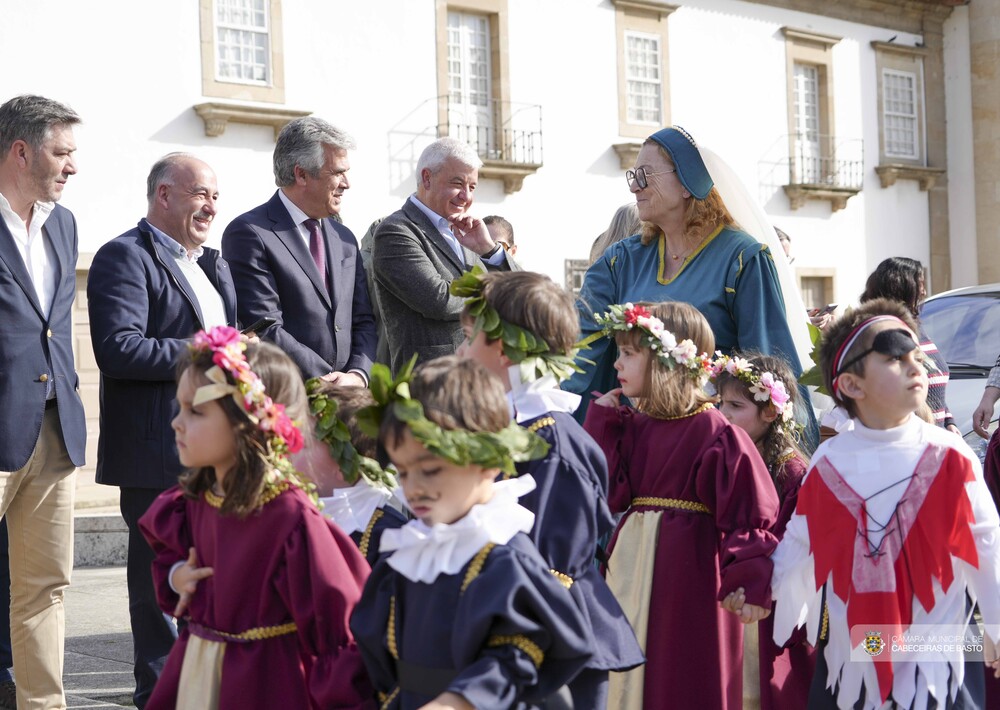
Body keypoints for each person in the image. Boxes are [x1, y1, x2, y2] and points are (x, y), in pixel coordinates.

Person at [770, 298, 1000, 709]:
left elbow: (986, 543)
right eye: (895, 357)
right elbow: (800, 541)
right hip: (861, 641)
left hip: (939, 643)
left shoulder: (951, 454)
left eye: (916, 355)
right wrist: (769, 592)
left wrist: (997, 624)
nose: (917, 366)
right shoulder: (829, 461)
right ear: (851, 385)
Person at [138, 327, 373, 709]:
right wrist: (177, 575)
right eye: (178, 408)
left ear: (250, 422)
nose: (176, 423)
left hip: (263, 683)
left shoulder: (290, 518)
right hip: (197, 671)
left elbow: (338, 624)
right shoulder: (193, 501)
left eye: (195, 411)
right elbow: (172, 561)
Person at [350, 356, 594, 708]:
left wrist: (456, 701)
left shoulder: (503, 559)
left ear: (488, 462)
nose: (413, 488)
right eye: (403, 472)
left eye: (430, 470)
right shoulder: (405, 555)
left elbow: (517, 654)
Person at [452, 269, 645, 708]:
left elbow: (550, 571)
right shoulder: (515, 428)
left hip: (550, 650)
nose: (461, 351)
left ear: (502, 350)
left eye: (469, 337)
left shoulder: (551, 441)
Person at [87, 153, 238, 707]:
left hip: (213, 451)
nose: (212, 206)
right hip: (156, 453)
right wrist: (210, 351)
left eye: (216, 196)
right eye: (201, 193)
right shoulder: (125, 256)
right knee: (157, 589)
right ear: (164, 195)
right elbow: (119, 349)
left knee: (207, 577)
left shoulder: (212, 265)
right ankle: (159, 695)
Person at [583, 301, 779, 710]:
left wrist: (748, 581)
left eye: (629, 354)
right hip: (632, 569)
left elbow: (745, 513)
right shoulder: (634, 424)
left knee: (682, 673)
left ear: (664, 360)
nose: (617, 364)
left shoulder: (715, 431)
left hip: (688, 572)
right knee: (630, 674)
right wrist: (602, 425)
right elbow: (611, 495)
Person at [566, 126, 815, 443]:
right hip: (637, 442)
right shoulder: (620, 260)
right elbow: (581, 346)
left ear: (686, 183)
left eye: (645, 175)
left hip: (709, 444)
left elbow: (766, 363)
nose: (634, 188)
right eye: (633, 176)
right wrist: (550, 412)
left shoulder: (742, 258)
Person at [0, 94, 87, 710]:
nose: (72, 167)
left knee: (45, 589)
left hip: (53, 428)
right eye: (62, 153)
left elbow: (52, 326)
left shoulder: (63, 222)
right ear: (21, 151)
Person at [222, 116, 377, 383]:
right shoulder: (249, 233)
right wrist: (327, 381)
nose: (346, 183)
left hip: (349, 397)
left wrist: (357, 375)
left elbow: (362, 319)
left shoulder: (345, 239)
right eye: (337, 172)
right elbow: (264, 325)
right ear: (301, 174)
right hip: (290, 398)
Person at [712, 352, 815, 710]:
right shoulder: (725, 457)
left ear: (770, 412)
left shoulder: (792, 473)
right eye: (721, 402)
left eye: (736, 405)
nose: (723, 413)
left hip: (770, 611)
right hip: (732, 600)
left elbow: (793, 552)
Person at [370, 137, 520, 375]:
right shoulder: (396, 231)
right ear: (427, 178)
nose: (466, 196)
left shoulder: (468, 232)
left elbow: (522, 293)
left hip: (484, 380)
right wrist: (496, 294)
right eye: (458, 183)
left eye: (472, 187)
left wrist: (489, 250)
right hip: (432, 384)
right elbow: (440, 301)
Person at [296, 380, 407, 566]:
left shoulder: (389, 540)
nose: (293, 445)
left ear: (343, 464)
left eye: (306, 441)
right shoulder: (291, 512)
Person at [858, 257, 959, 433]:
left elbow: (932, 381)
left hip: (934, 435)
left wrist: (949, 421)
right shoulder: (883, 333)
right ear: (901, 287)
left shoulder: (915, 326)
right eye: (920, 284)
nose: (924, 291)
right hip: (910, 439)